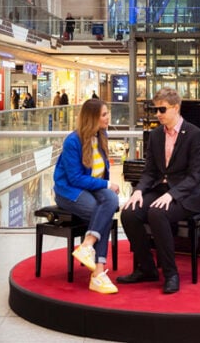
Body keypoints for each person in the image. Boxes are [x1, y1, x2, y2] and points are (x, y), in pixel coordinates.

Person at [117, 87, 200, 294]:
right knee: (129, 213)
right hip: (159, 190)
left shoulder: (195, 134)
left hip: (185, 196)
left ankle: (171, 274)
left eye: (162, 109)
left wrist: (171, 195)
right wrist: (138, 191)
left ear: (176, 108)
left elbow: (196, 176)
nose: (157, 114)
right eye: (155, 109)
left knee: (157, 214)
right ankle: (147, 269)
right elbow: (149, 171)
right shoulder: (156, 135)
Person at [54, 99, 121, 294]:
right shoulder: (73, 141)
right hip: (69, 191)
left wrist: (106, 188)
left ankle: (87, 245)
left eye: (107, 113)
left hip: (92, 187)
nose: (108, 117)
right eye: (103, 114)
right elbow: (74, 179)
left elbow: (100, 174)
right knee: (100, 213)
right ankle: (98, 274)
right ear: (92, 118)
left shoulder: (102, 135)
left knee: (111, 200)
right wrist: (107, 184)